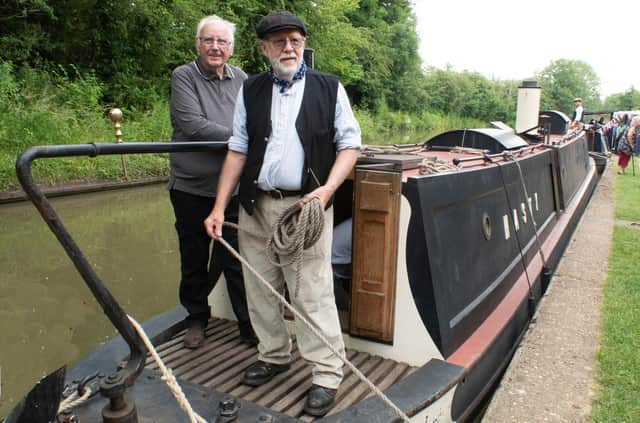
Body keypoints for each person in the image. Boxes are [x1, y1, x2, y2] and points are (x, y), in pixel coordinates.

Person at [204, 10, 361, 416]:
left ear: (303, 44)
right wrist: (220, 206)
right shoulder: (251, 90)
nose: (287, 47)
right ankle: (273, 354)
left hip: (305, 208)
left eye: (294, 39)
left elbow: (350, 145)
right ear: (263, 49)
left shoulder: (330, 88)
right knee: (259, 288)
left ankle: (326, 373)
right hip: (255, 206)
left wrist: (327, 190)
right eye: (278, 41)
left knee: (311, 293)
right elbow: (238, 148)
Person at [168, 15, 254, 349]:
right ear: (197, 44)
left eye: (222, 41)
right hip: (191, 186)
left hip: (231, 187)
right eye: (209, 40)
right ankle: (196, 319)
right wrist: (244, 138)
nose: (215, 47)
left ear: (231, 47)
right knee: (193, 258)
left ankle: (247, 323)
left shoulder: (242, 80)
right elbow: (194, 126)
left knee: (236, 257)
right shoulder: (184, 76)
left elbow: (256, 119)